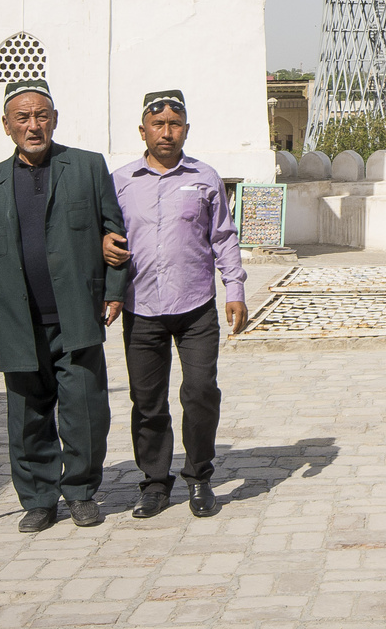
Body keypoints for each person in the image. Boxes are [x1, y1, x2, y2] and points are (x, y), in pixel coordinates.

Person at [0, 78, 129, 533]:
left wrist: (113, 288)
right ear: (8, 127)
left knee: (85, 412)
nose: (34, 126)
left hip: (75, 314)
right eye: (23, 118)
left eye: (42, 116)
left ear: (54, 119)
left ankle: (82, 492)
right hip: (17, 320)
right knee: (27, 418)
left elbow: (116, 232)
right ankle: (38, 499)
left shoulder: (87, 168)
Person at [108, 89, 247, 519]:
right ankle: (154, 483)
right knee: (147, 401)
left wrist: (235, 290)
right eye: (158, 124)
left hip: (196, 307)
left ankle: (200, 476)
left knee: (201, 392)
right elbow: (104, 231)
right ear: (142, 130)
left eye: (175, 124)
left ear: (186, 129)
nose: (166, 133)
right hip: (141, 306)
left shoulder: (205, 177)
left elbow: (223, 236)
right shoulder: (121, 181)